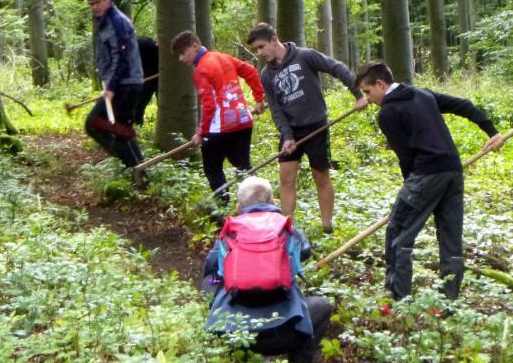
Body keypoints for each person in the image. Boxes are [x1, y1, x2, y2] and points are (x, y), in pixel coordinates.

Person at [354, 61, 506, 300]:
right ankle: (449, 301)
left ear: (381, 84)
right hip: (453, 170)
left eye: (367, 91)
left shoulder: (388, 113)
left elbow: (406, 158)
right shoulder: (422, 94)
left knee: (397, 234)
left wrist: (411, 193)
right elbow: (464, 105)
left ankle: (397, 301)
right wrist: (492, 131)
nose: (368, 98)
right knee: (450, 237)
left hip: (426, 174)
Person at [203, 176, 332, 363]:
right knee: (322, 305)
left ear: (238, 206)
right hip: (283, 334)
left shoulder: (229, 233)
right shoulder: (285, 229)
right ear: (273, 202)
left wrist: (219, 281)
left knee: (212, 285)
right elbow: (306, 253)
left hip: (235, 334)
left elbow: (209, 277)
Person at [246, 23, 367, 233]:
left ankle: (327, 226)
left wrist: (358, 95)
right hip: (291, 132)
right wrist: (287, 136)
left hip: (316, 127)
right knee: (286, 177)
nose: (260, 52)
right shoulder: (267, 75)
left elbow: (336, 68)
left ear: (274, 40)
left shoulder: (305, 56)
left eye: (261, 46)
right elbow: (276, 110)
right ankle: (285, 228)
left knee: (320, 175)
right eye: (256, 49)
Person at [171, 30, 266, 201]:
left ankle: (222, 207)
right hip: (244, 121)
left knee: (212, 167)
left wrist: (201, 133)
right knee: (243, 167)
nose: (181, 58)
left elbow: (209, 106)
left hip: (221, 127)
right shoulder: (224, 57)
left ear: (195, 46)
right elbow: (250, 71)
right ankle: (260, 202)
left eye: (183, 53)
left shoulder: (200, 70)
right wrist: (258, 99)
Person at [84, 0, 144, 167]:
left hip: (125, 85)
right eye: (92, 4)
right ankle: (138, 171)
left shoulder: (117, 22)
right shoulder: (103, 22)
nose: (95, 7)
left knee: (93, 123)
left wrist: (111, 88)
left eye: (98, 2)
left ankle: (135, 167)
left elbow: (122, 57)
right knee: (121, 130)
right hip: (120, 83)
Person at [134, 36, 159, 125]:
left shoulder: (144, 43)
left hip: (161, 77)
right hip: (146, 80)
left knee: (163, 104)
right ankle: (138, 125)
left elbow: (158, 47)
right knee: (138, 105)